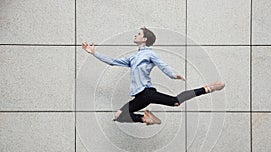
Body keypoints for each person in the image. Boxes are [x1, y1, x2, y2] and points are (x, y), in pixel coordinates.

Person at [82, 26, 225, 125]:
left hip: (147, 93)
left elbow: (162, 65)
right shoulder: (133, 58)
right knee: (118, 116)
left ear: (144, 39)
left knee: (175, 101)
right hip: (139, 97)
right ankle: (145, 119)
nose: (135, 35)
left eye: (138, 34)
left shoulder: (150, 53)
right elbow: (113, 62)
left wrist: (172, 74)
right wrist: (94, 53)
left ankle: (207, 88)